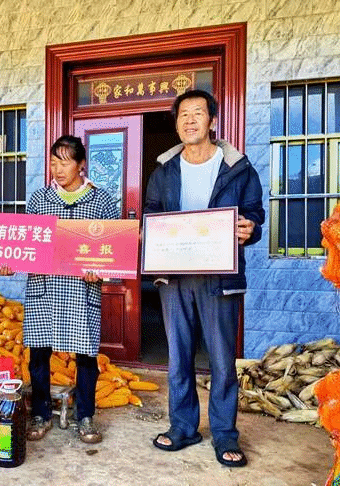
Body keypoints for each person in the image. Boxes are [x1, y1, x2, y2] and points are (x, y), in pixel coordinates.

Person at [143, 89, 264, 467]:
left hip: (219, 277)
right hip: (174, 278)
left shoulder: (237, 167)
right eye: (183, 114)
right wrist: (148, 231)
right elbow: (151, 212)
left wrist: (250, 228)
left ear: (212, 120)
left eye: (198, 113)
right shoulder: (164, 171)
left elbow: (254, 214)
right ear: (177, 123)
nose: (190, 120)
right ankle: (183, 427)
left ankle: (225, 434)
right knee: (178, 357)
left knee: (223, 360)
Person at [0, 135, 119, 444]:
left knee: (86, 356)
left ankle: (85, 416)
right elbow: (25, 244)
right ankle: (40, 413)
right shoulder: (39, 200)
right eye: (53, 163)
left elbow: (114, 250)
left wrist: (101, 270)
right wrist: (9, 262)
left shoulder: (102, 201)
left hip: (82, 290)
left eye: (64, 163)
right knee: (38, 354)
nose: (57, 170)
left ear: (81, 165)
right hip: (45, 288)